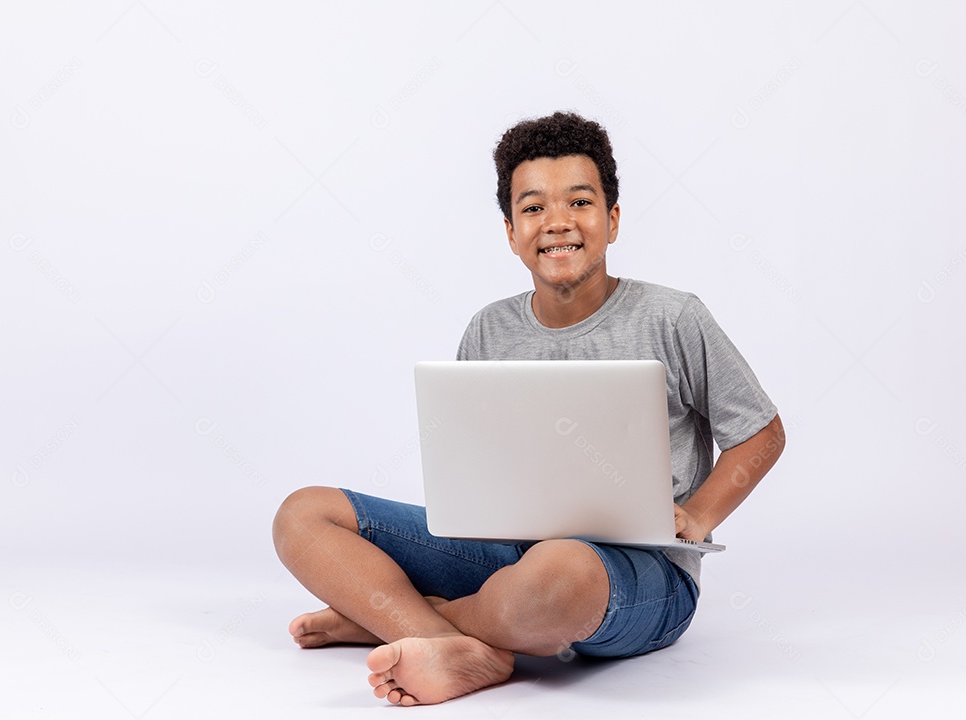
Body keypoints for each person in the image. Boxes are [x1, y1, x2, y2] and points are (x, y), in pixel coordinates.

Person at [272, 111, 785, 706]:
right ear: (511, 232)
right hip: (504, 557)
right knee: (302, 514)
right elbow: (468, 468)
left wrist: (699, 513)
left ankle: (392, 620)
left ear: (612, 220)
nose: (557, 223)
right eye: (534, 208)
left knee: (555, 571)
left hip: (633, 576)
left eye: (580, 202)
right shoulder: (488, 330)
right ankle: (453, 645)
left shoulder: (674, 318)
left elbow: (762, 433)